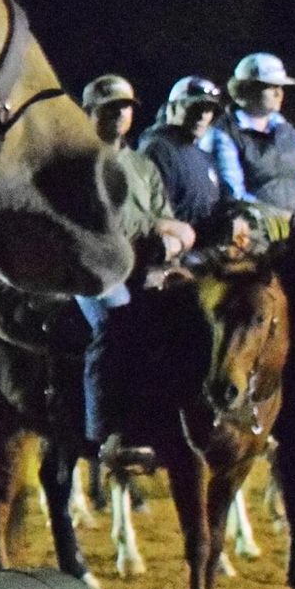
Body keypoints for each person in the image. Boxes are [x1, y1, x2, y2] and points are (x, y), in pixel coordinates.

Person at [74, 75, 196, 457]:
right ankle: (105, 430)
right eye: (109, 108)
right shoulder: (78, 162)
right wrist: (159, 229)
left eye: (125, 107)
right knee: (116, 322)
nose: (120, 115)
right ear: (89, 113)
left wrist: (171, 239)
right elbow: (98, 222)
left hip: (148, 261)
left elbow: (167, 216)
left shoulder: (142, 166)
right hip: (94, 264)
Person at [209, 52, 295, 228]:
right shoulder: (224, 133)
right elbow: (233, 192)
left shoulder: (288, 131)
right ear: (246, 89)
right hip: (260, 229)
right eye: (270, 87)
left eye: (281, 87)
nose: (279, 93)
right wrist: (280, 218)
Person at [137, 76, 223, 238]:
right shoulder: (158, 150)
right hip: (175, 250)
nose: (203, 116)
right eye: (195, 107)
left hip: (203, 247)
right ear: (172, 108)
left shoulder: (203, 156)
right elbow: (157, 214)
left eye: (208, 109)